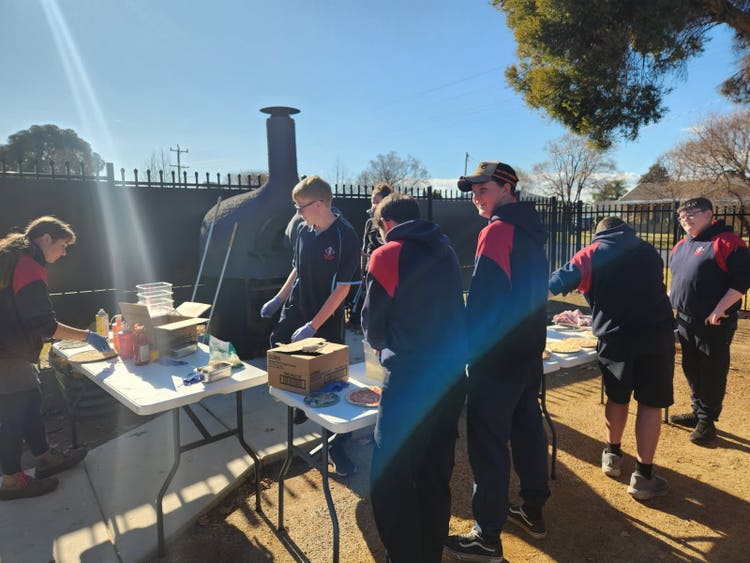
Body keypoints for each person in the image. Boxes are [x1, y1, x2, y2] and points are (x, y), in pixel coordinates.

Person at [445, 162, 550, 563]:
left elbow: (485, 301)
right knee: (527, 431)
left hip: (497, 358)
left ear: (507, 188)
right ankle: (533, 509)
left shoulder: (498, 230)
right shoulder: (530, 228)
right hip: (527, 353)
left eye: (482, 188)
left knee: (488, 445)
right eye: (471, 189)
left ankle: (487, 537)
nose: (475, 195)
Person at [362, 193, 466, 563]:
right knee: (434, 471)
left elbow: (373, 328)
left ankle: (404, 555)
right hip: (452, 375)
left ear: (385, 224)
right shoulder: (446, 249)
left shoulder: (386, 254)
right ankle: (429, 553)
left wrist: (382, 344)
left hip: (410, 378)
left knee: (389, 475)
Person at [548, 216, 675, 499]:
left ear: (598, 235)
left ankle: (612, 454)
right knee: (651, 404)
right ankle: (643, 476)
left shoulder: (592, 253)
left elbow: (552, 286)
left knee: (618, 397)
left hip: (616, 338)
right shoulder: (648, 250)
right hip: (656, 333)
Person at [0, 216, 110, 500]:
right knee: (13, 414)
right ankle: (11, 481)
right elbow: (45, 325)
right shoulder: (27, 265)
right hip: (6, 352)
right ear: (46, 238)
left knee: (32, 401)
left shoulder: (15, 257)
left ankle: (45, 457)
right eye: (62, 246)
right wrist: (88, 337)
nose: (63, 253)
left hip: (11, 348)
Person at [260, 176, 361, 476]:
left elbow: (343, 288)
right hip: (297, 308)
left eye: (300, 207)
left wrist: (313, 326)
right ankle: (301, 404)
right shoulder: (303, 230)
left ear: (319, 204)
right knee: (280, 350)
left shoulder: (346, 237)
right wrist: (279, 299)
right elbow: (297, 267)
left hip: (325, 318)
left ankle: (339, 446)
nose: (297, 213)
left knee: (331, 381)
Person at [669, 197, 750, 445]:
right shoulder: (680, 246)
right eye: (682, 216)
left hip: (713, 322)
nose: (686, 219)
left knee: (712, 370)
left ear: (709, 214)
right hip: (684, 320)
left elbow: (742, 281)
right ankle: (697, 412)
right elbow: (679, 283)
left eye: (692, 213)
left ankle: (707, 421)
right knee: (691, 368)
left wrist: (719, 309)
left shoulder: (727, 242)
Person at [348, 182, 393, 327]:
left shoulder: (389, 222)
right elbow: (365, 246)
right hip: (370, 267)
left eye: (377, 202)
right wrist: (361, 270)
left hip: (385, 267)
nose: (373, 205)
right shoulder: (369, 223)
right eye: (372, 201)